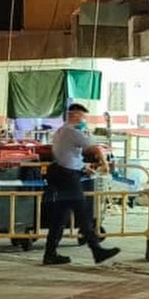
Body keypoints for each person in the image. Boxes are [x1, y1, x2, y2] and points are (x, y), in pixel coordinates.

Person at [42, 103, 120, 266]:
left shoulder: (61, 132)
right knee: (82, 213)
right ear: (75, 115)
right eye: (83, 117)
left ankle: (50, 253)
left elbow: (68, 156)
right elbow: (95, 149)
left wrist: (83, 168)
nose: (84, 120)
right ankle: (96, 250)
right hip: (68, 176)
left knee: (60, 216)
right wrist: (104, 164)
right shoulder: (72, 132)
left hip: (62, 173)